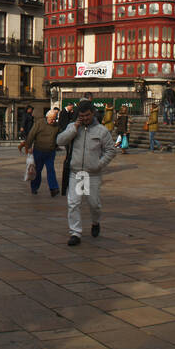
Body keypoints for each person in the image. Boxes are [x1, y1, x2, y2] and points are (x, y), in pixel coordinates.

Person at [56, 100, 118, 246]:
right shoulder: (73, 127)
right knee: (73, 203)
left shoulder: (101, 130)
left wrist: (99, 164)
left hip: (92, 174)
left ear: (93, 114)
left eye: (87, 115)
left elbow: (111, 150)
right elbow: (59, 140)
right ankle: (75, 232)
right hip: (76, 173)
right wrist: (74, 129)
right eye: (82, 115)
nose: (85, 118)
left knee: (94, 204)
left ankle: (95, 222)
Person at [20, 106, 60, 196]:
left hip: (50, 151)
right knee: (37, 170)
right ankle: (34, 187)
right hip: (39, 150)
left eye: (54, 119)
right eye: (51, 119)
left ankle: (53, 188)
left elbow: (60, 136)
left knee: (51, 170)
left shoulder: (56, 126)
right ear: (47, 118)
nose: (53, 121)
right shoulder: (39, 123)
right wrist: (28, 146)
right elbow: (31, 134)